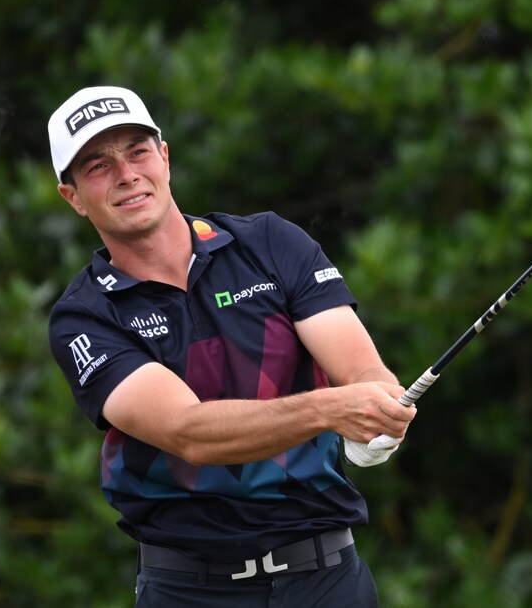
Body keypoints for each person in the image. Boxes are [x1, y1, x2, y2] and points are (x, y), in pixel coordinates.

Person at [46, 86, 416, 606]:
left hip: (326, 579)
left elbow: (363, 373)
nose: (126, 173)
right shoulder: (84, 315)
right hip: (189, 589)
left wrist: (376, 413)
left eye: (137, 151)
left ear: (165, 157)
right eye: (97, 165)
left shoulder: (269, 242)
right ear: (74, 197)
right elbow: (189, 432)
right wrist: (333, 410)